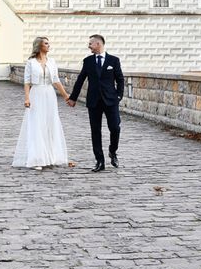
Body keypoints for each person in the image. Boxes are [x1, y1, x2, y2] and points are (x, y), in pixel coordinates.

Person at [67, 34, 124, 172]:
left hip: (111, 101)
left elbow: (120, 79)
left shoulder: (114, 60)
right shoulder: (88, 61)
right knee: (95, 131)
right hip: (93, 101)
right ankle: (100, 161)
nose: (89, 46)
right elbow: (80, 80)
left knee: (115, 128)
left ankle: (112, 151)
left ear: (98, 44)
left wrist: (118, 96)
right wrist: (73, 98)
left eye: (90, 44)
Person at [12, 36, 70, 170]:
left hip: (49, 94)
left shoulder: (52, 62)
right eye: (46, 43)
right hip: (36, 94)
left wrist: (66, 96)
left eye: (49, 43)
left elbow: (56, 80)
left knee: (50, 123)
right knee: (37, 124)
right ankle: (37, 158)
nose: (49, 46)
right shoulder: (31, 63)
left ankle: (50, 156)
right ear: (39, 46)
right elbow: (27, 82)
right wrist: (27, 98)